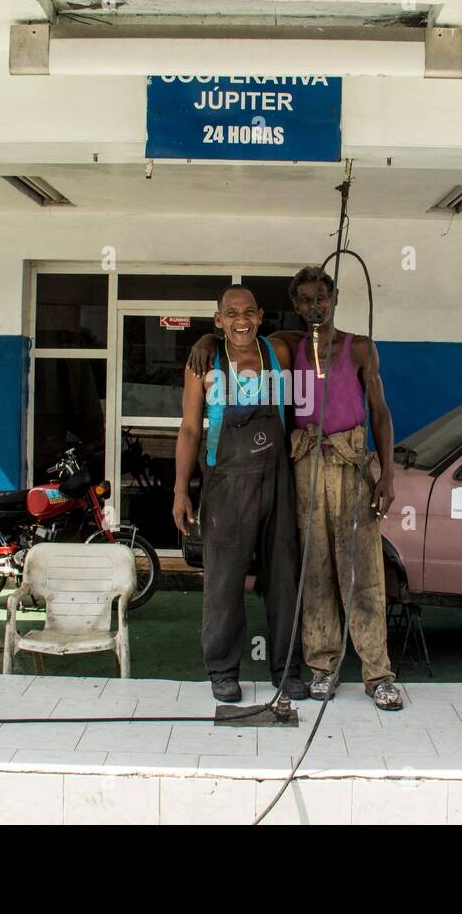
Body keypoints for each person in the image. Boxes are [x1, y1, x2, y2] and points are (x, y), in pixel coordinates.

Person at [188, 267, 403, 711]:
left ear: (334, 298)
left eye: (321, 298)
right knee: (311, 572)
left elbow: (380, 412)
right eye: (304, 301)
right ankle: (316, 668)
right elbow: (236, 342)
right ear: (296, 307)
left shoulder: (348, 349)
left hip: (341, 466)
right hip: (295, 466)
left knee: (352, 573)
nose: (314, 307)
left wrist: (388, 475)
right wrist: (207, 340)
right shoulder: (291, 346)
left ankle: (372, 673)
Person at [172, 285, 308, 703]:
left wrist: (207, 334)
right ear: (219, 319)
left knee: (284, 576)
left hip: (276, 478)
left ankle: (286, 670)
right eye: (231, 314)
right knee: (224, 580)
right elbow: (191, 429)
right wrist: (181, 490)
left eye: (248, 312)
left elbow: (317, 339)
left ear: (261, 315)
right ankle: (223, 670)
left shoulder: (278, 354)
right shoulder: (203, 364)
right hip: (226, 482)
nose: (241, 320)